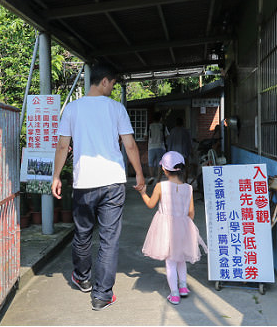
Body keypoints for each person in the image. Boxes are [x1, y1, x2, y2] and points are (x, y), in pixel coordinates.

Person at [51, 63, 144, 311]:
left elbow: (62, 146)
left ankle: (82, 278)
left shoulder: (72, 109)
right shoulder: (116, 109)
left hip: (84, 183)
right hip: (113, 182)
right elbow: (130, 145)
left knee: (82, 233)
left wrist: (56, 176)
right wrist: (140, 176)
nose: (113, 89)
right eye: (113, 84)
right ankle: (102, 295)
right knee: (109, 240)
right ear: (104, 81)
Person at [137, 151, 207, 305]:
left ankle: (174, 294)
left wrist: (143, 193)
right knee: (181, 258)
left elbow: (150, 204)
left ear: (164, 169)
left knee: (170, 261)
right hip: (183, 225)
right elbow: (191, 213)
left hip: (165, 228)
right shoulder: (188, 188)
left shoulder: (160, 186)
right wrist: (183, 221)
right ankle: (183, 287)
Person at [145, 112, 168, 183]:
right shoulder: (163, 126)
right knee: (160, 163)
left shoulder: (149, 126)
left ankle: (152, 177)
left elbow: (145, 136)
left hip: (151, 147)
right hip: (161, 147)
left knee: (150, 163)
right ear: (160, 118)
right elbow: (167, 135)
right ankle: (158, 179)